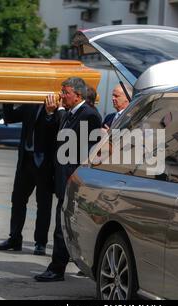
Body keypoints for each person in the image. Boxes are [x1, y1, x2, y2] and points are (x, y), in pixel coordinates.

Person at [35, 77, 102, 282]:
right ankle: (73, 265)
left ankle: (57, 268)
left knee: (62, 225)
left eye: (65, 92)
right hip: (63, 178)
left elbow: (84, 152)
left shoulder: (89, 116)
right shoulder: (70, 113)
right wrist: (50, 113)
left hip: (75, 180)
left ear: (78, 95)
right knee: (67, 225)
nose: (61, 95)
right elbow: (50, 136)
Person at [0, 102, 57, 255]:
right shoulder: (30, 104)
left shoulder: (56, 107)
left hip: (44, 164)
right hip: (25, 161)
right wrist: (8, 98)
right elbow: (10, 117)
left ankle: (40, 243)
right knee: (18, 200)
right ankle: (14, 238)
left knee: (43, 205)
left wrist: (50, 112)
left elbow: (55, 129)